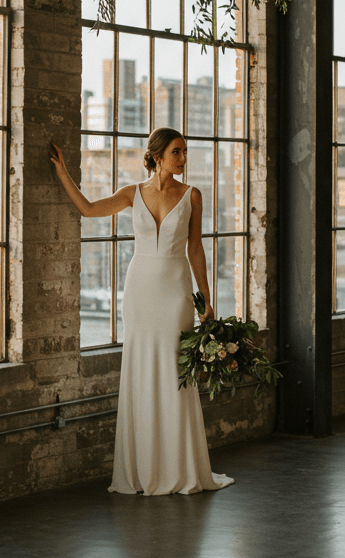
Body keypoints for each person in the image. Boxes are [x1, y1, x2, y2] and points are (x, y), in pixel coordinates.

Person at [50, 127, 234, 496]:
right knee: (142, 368)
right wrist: (63, 173)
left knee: (174, 370)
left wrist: (206, 300)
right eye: (177, 152)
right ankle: (144, 468)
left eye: (185, 152)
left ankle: (179, 467)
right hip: (140, 289)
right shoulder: (131, 194)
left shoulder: (192, 195)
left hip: (175, 289)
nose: (183, 159)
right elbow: (87, 209)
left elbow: (195, 249)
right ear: (158, 155)